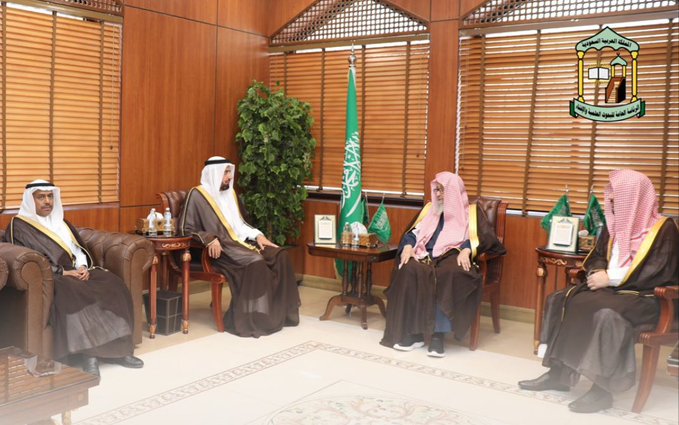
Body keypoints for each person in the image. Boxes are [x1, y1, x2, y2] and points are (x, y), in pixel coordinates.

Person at [519, 170, 679, 413]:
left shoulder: (664, 230)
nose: (610, 200)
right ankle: (558, 374)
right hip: (613, 293)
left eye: (616, 195)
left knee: (605, 314)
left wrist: (611, 278)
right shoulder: (613, 225)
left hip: (647, 298)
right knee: (563, 299)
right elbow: (597, 256)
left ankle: (601, 391)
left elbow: (659, 271)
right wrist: (598, 272)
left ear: (634, 196)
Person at [5, 180, 144, 377]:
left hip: (76, 270)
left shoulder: (61, 222)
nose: (47, 201)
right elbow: (28, 257)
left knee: (113, 284)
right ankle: (89, 356)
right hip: (52, 276)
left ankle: (119, 351)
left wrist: (82, 267)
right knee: (74, 292)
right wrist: (63, 272)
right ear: (30, 200)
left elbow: (77, 250)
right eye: (41, 197)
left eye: (50, 196)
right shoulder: (19, 226)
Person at [380, 172, 506, 357]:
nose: (438, 194)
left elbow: (484, 237)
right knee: (408, 269)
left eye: (442, 190)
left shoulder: (472, 213)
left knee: (448, 274)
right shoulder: (429, 210)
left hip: (453, 255)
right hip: (425, 254)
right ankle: (414, 333)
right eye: (436, 190)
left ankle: (438, 336)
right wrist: (407, 246)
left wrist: (466, 249)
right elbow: (413, 233)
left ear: (453, 191)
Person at [179, 157, 300, 337]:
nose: (229, 177)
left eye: (230, 172)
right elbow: (185, 228)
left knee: (280, 255)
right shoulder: (197, 195)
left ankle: (281, 313)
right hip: (221, 250)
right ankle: (251, 316)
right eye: (225, 172)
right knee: (255, 262)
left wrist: (258, 236)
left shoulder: (230, 193)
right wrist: (209, 238)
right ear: (214, 174)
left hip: (242, 243)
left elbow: (240, 224)